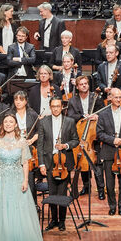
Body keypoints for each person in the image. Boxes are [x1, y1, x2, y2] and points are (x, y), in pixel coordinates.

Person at [0, 112, 47, 241]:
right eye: (6, 122)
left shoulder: (22, 142)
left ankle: (19, 240)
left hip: (17, 180)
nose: (8, 124)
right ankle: (2, 240)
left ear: (16, 124)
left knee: (18, 210)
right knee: (1, 210)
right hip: (2, 180)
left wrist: (25, 181)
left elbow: (25, 163)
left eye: (11, 122)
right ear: (3, 125)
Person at [35, 95, 77, 231]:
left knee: (62, 192)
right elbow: (40, 145)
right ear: (50, 107)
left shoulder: (70, 121)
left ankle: (62, 221)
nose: (56, 109)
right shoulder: (43, 122)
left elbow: (75, 140)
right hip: (49, 162)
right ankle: (53, 220)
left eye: (58, 106)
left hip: (64, 162)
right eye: (53, 106)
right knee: (52, 192)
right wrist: (41, 164)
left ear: (62, 107)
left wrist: (65, 145)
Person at [94, 88, 121, 216]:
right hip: (108, 152)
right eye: (116, 97)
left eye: (120, 97)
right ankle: (112, 206)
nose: (118, 100)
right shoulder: (103, 115)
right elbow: (99, 134)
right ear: (110, 98)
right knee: (110, 184)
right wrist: (113, 140)